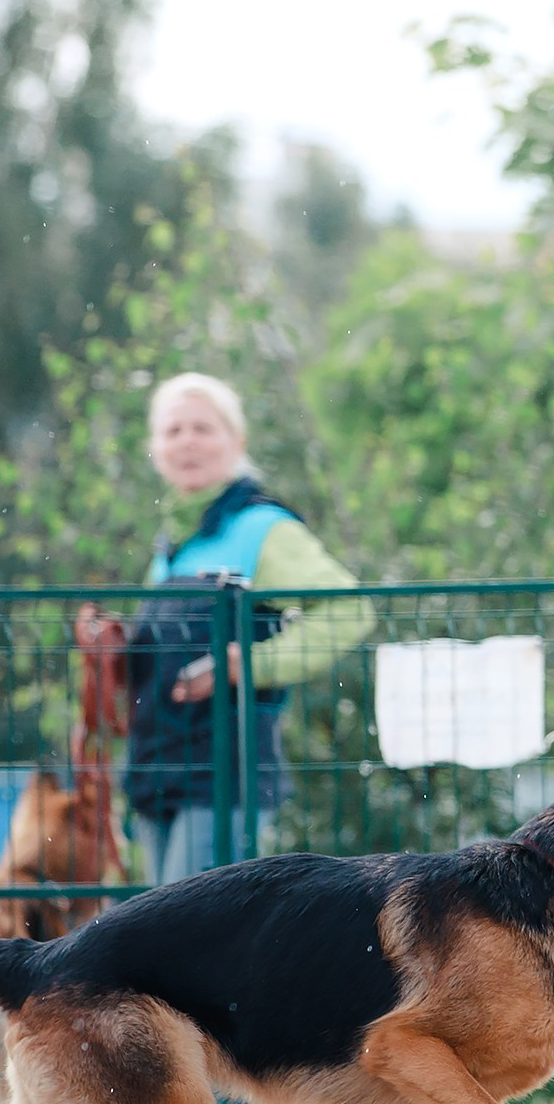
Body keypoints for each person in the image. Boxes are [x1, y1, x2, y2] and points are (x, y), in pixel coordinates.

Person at [125, 373, 373, 882]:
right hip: (155, 774)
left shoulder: (263, 528)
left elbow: (352, 610)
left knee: (186, 943)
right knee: (160, 944)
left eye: (202, 427)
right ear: (154, 448)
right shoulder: (171, 547)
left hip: (224, 778)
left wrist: (251, 664)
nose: (187, 441)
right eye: (172, 431)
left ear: (236, 442)